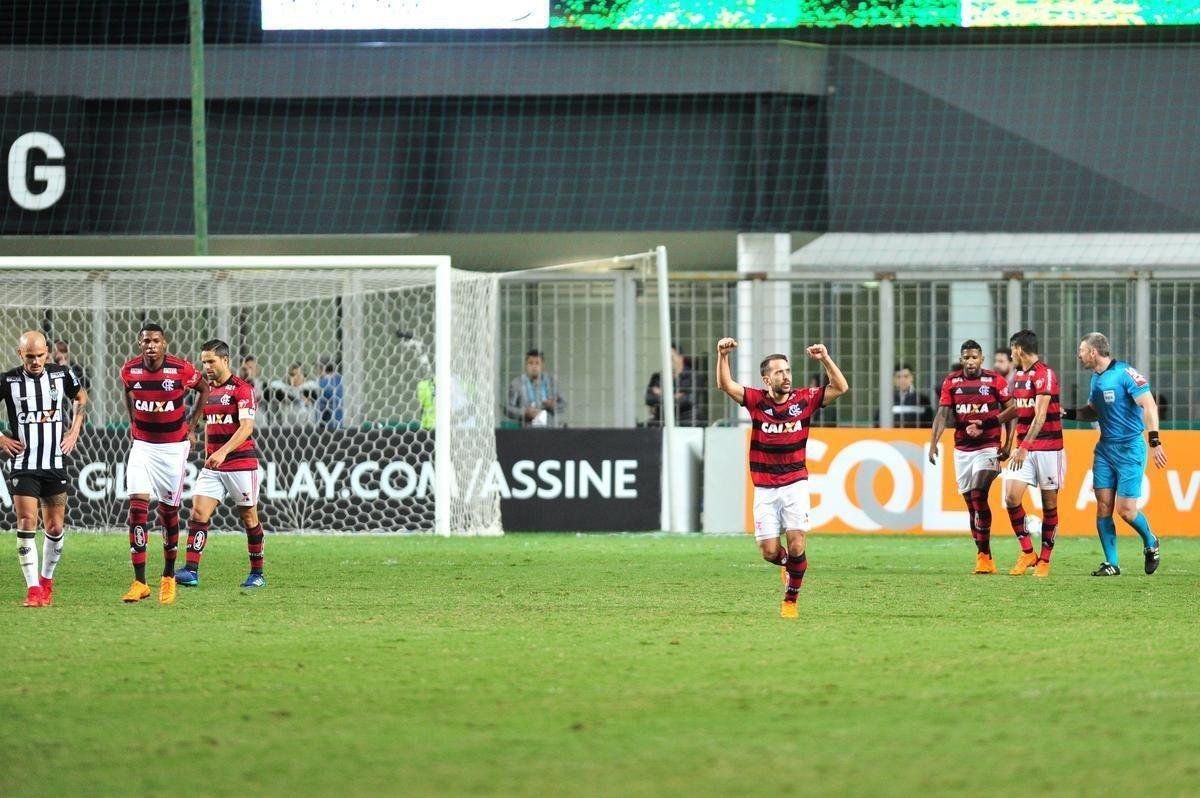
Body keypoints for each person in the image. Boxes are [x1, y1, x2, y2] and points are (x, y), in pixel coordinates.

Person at [715, 337, 849, 619]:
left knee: (798, 542)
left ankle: (790, 601)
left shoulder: (805, 399)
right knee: (769, 552)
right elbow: (726, 385)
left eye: (787, 371)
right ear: (766, 379)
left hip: (795, 483)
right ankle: (792, 566)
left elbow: (841, 387)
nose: (786, 376)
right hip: (764, 488)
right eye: (779, 372)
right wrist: (722, 356)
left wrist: (825, 358)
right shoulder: (756, 401)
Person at [120, 322, 208, 604]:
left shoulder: (180, 369)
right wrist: (134, 423)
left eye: (156, 340)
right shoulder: (130, 370)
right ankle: (139, 581)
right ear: (140, 343)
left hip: (173, 449)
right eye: (146, 341)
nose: (151, 345)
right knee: (137, 509)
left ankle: (168, 577)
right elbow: (128, 393)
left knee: (168, 514)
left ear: (164, 343)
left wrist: (192, 426)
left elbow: (205, 389)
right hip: (143, 447)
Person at [1, 331, 87, 606]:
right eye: (30, 357)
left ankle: (46, 582)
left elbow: (81, 398)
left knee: (55, 526)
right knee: (27, 521)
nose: (36, 361)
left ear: (47, 352)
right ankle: (33, 589)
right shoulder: (8, 380)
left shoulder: (61, 375)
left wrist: (73, 432)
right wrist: (1, 438)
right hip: (24, 465)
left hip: (54, 464)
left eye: (40, 355)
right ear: (20, 354)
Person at [1068, 333, 1165, 576]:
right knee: (1102, 506)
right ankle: (1112, 563)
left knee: (1126, 511)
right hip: (1105, 449)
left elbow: (1149, 405)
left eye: (1081, 350)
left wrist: (1154, 441)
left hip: (1130, 448)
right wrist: (1065, 413)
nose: (1078, 355)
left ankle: (1151, 541)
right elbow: (1093, 412)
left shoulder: (1125, 374)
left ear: (1093, 352)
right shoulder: (1096, 378)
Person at [177, 339, 266, 589]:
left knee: (249, 516)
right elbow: (208, 426)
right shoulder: (208, 391)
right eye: (203, 361)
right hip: (213, 464)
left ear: (225, 360)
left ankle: (257, 572)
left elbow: (247, 427)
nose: (206, 366)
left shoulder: (241, 389)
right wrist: (197, 439)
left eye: (211, 361)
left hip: (240, 462)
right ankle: (191, 570)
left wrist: (224, 452)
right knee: (198, 512)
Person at [928, 340, 1014, 574]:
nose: (970, 361)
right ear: (962, 359)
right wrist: (933, 444)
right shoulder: (952, 381)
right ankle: (985, 555)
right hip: (962, 450)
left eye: (974, 357)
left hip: (988, 447)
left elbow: (1012, 410)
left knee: (978, 493)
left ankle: (983, 556)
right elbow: (942, 414)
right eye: (966, 357)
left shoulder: (995, 380)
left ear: (981, 359)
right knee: (972, 506)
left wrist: (1008, 443)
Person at [988, 330, 1064, 577]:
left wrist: (1023, 448)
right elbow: (1019, 410)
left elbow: (1040, 416)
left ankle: (1045, 560)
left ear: (1019, 349)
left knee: (1049, 504)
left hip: (1048, 448)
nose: (1011, 355)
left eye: (1012, 350)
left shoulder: (1046, 375)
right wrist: (992, 422)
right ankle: (1028, 552)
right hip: (1024, 448)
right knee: (1011, 498)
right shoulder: (1019, 376)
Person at [644, 343, 702, 426]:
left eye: (671, 358)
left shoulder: (693, 377)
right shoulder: (657, 377)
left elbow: (688, 400)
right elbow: (649, 399)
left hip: (686, 423)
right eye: (665, 358)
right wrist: (675, 396)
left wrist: (661, 394)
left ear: (681, 358)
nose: (668, 362)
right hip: (662, 423)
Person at [506, 349, 566, 428]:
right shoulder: (517, 383)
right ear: (526, 365)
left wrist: (553, 406)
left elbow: (563, 404)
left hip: (549, 430)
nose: (534, 367)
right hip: (526, 431)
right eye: (530, 363)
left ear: (542, 365)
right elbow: (508, 409)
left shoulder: (551, 382)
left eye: (537, 363)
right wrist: (524, 413)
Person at [317, 355, 344, 430]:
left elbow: (318, 413)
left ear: (321, 368)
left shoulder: (322, 384)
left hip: (331, 430)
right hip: (347, 427)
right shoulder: (342, 380)